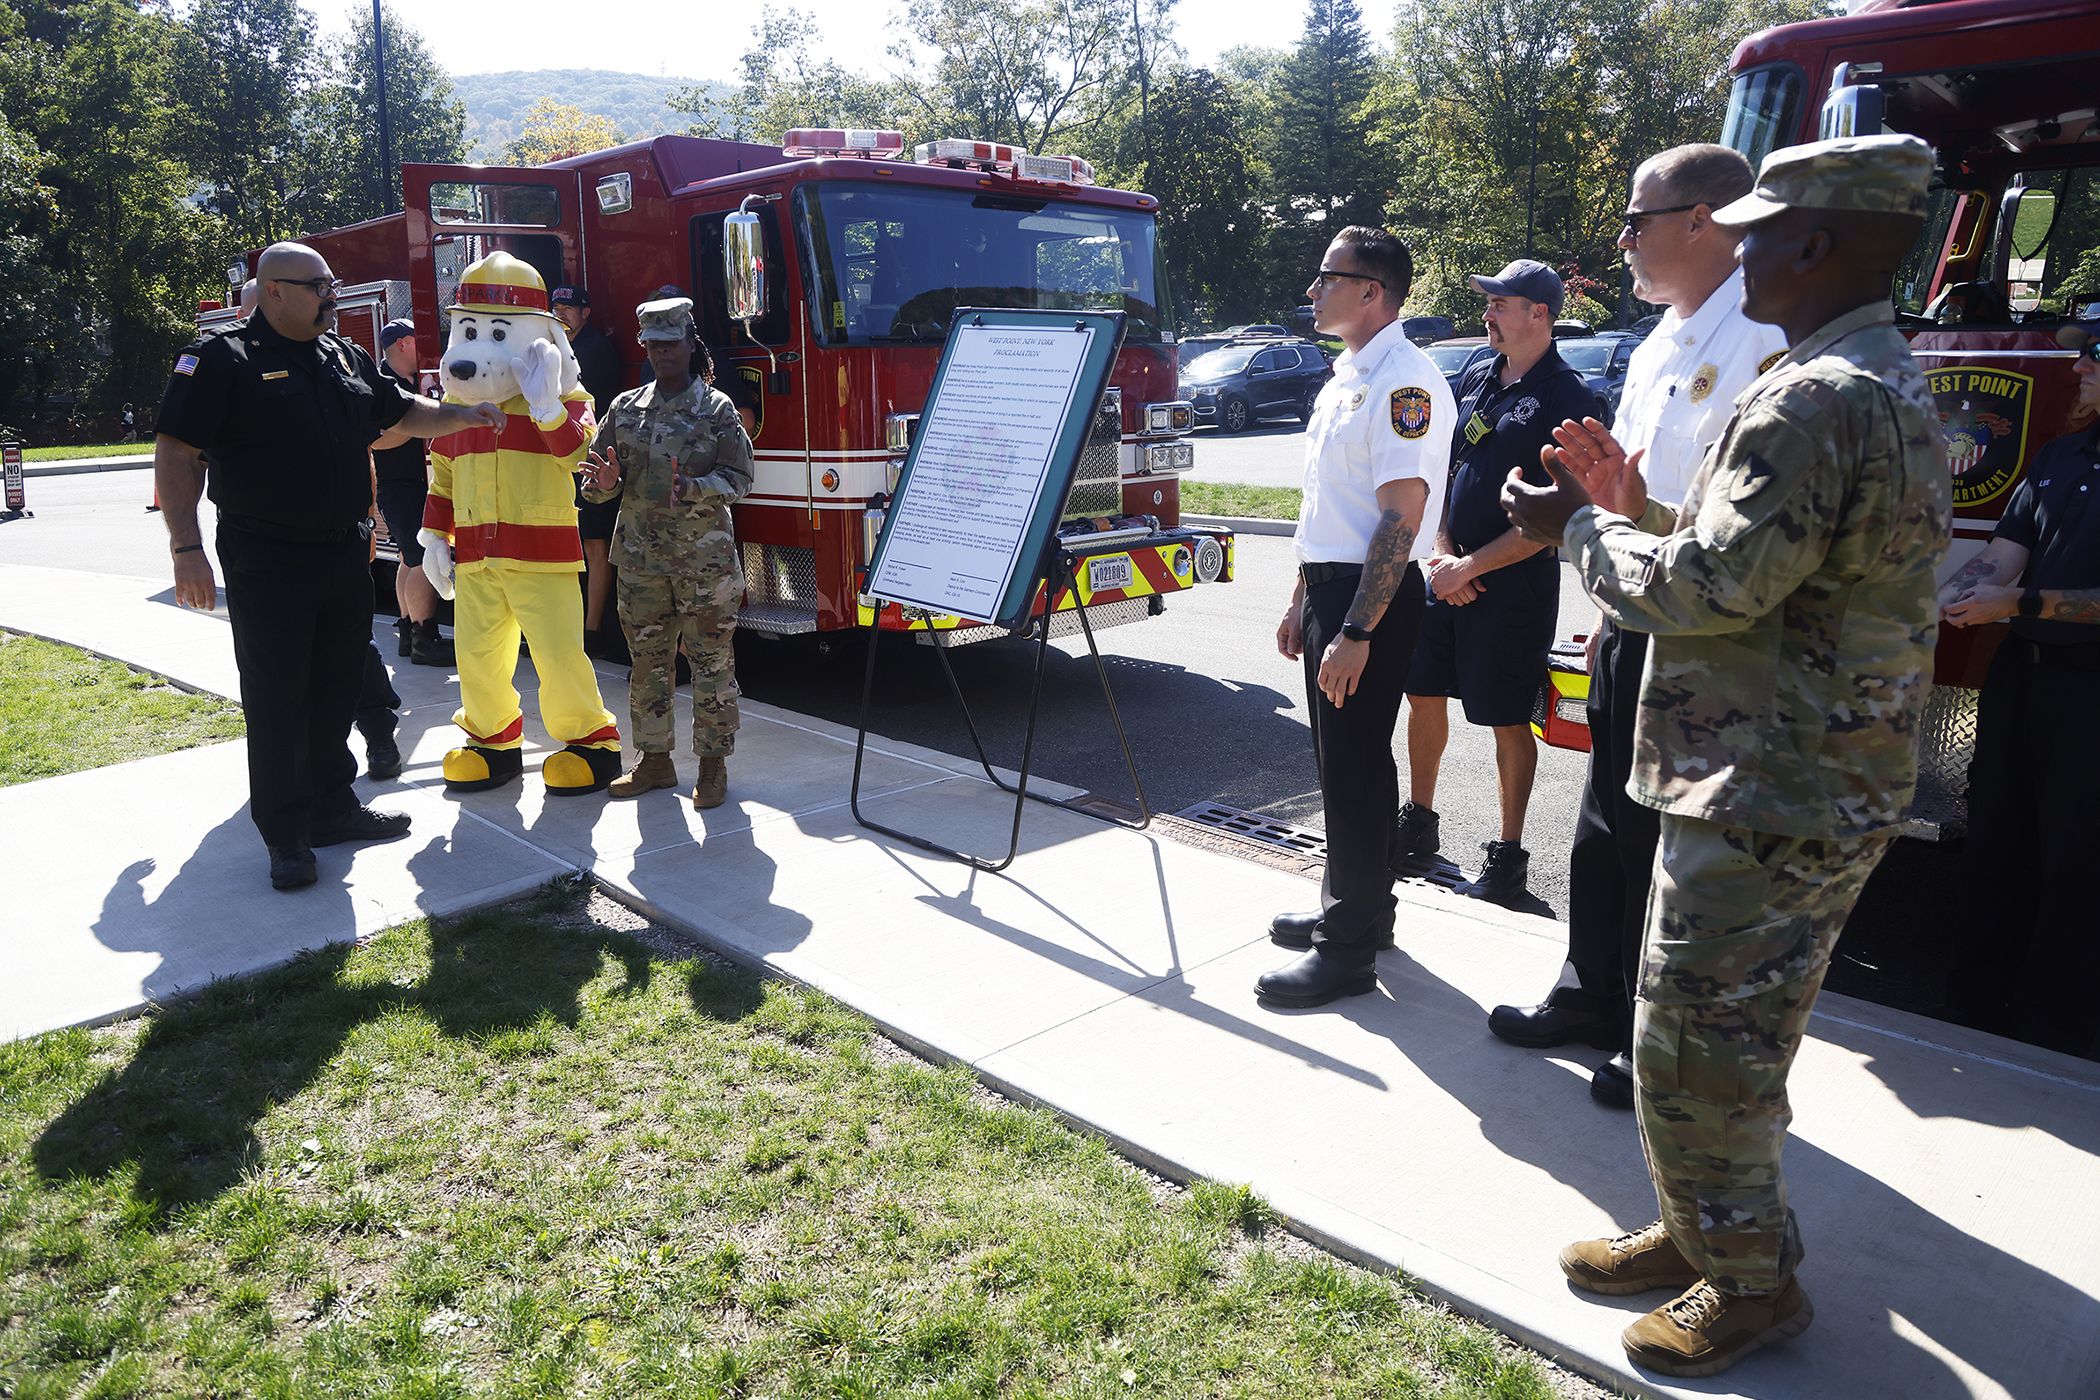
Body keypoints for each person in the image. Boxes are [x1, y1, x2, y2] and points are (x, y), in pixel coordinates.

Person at [1503, 134, 1947, 1378]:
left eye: (1760, 231)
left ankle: (1751, 1284)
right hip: (1786, 771)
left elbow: (1708, 587)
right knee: (1693, 1036)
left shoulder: (1818, 396)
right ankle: (1705, 1230)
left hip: (1777, 782)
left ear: (1818, 244)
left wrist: (1578, 530)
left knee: (1708, 1050)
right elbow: (1774, 564)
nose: (1740, 250)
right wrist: (1635, 506)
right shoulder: (1861, 375)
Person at [1487, 146, 1788, 1109]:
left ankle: (1650, 1034)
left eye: (1637, 219)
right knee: (1603, 821)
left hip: (1704, 633)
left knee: (1669, 841)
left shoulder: (1765, 334)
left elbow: (1741, 526)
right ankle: (1589, 994)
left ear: (1705, 221)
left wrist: (1618, 517)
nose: (1620, 240)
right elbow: (1635, 486)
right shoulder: (1658, 338)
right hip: (1627, 605)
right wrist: (1588, 497)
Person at [152, 242, 503, 890]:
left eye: (331, 284)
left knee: (337, 683)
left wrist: (464, 416)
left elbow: (399, 411)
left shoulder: (341, 356)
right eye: (318, 286)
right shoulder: (221, 361)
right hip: (266, 556)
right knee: (279, 694)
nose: (330, 295)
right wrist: (186, 548)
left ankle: (335, 810)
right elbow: (177, 451)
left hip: (342, 550)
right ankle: (287, 834)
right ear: (275, 290)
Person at [1254, 227, 1455, 1008]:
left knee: (1356, 764)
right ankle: (1363, 912)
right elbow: (1327, 512)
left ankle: (1347, 952)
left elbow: (1399, 521)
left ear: (1372, 291)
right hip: (1334, 593)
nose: (1312, 290)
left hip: (1371, 600)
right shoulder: (1345, 378)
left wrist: (1356, 631)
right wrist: (1303, 599)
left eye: (1325, 277)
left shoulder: (1405, 383)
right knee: (1348, 764)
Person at [1402, 260, 1599, 907]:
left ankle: (1508, 857)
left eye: (1500, 304)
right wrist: (1442, 552)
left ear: (1539, 314)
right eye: (1487, 304)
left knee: (1506, 718)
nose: (1487, 314)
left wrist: (1472, 567)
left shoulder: (1572, 398)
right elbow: (1447, 466)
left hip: (1513, 589)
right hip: (1448, 573)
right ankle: (1418, 825)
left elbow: (1561, 517)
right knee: (1421, 693)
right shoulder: (1478, 375)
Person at [1934, 318, 2100, 1061]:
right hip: (2021, 682)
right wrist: (1957, 591)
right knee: (1997, 840)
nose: (2080, 368)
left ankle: (2051, 1035)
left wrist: (2019, 604)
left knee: (2077, 862)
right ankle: (1969, 1007)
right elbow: (2003, 558)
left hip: (2089, 693)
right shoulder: (2059, 457)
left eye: (2095, 357)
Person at [581, 298, 754, 809]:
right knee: (647, 665)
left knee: (711, 665)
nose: (661, 354)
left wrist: (698, 488)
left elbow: (742, 478)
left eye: (670, 344)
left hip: (706, 568)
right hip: (640, 565)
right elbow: (593, 484)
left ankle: (712, 766)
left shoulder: (717, 409)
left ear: (689, 344)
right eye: (652, 345)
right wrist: (603, 485)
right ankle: (654, 762)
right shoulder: (625, 409)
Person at [367, 319, 454, 667]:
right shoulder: (380, 384)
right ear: (403, 343)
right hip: (398, 485)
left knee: (407, 558)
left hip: (415, 482)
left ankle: (408, 632)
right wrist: (417, 423)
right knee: (421, 558)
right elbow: (374, 439)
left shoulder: (413, 381)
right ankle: (425, 638)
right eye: (421, 339)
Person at [552, 284, 627, 659]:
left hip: (591, 460)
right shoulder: (553, 348)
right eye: (557, 307)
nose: (562, 312)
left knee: (595, 546)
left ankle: (592, 630)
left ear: (586, 313)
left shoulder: (595, 350)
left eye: (570, 307)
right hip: (558, 465)